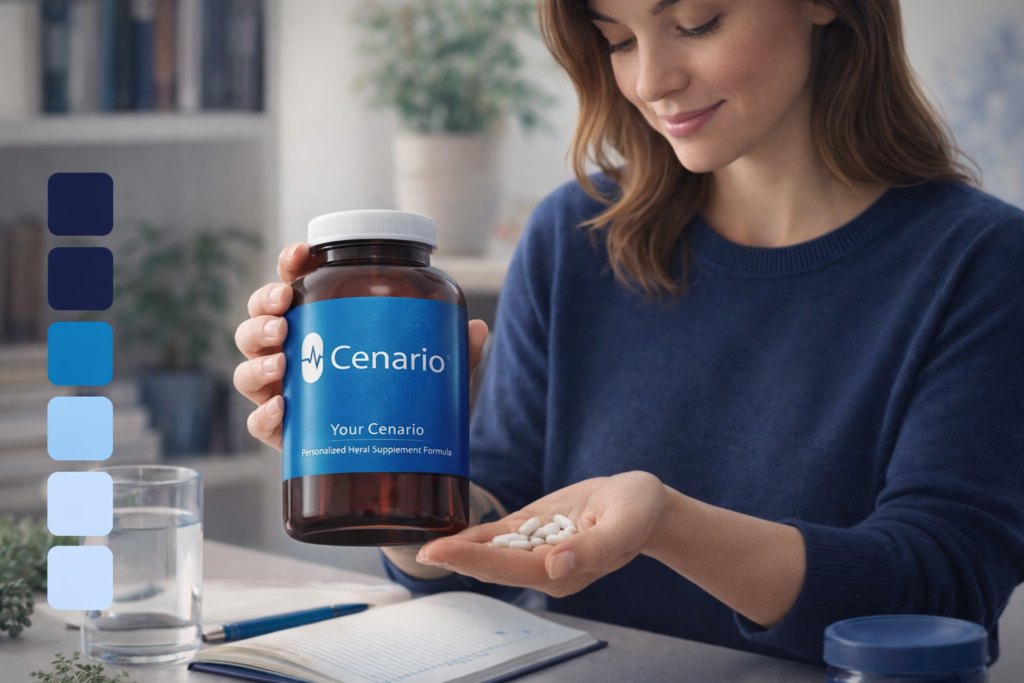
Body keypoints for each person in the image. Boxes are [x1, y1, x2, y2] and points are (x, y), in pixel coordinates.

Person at [233, 0, 1024, 666]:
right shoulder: (573, 233)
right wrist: (392, 475)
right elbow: (490, 540)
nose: (650, 81)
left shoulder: (980, 261)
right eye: (616, 39)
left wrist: (671, 525)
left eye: (696, 21)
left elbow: (942, 590)